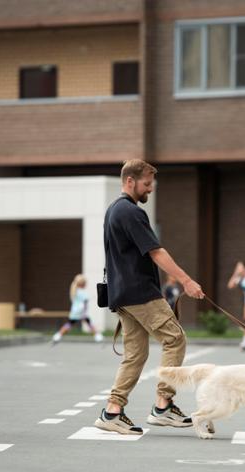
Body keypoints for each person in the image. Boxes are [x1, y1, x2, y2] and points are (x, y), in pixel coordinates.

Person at [94, 159, 204, 435]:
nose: (150, 189)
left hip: (121, 293)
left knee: (135, 355)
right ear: (129, 181)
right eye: (146, 184)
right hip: (140, 291)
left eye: (151, 184)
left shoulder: (113, 211)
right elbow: (156, 252)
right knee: (175, 339)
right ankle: (163, 406)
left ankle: (112, 411)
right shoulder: (130, 212)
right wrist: (186, 281)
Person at [52, 274, 104, 343]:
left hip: (75, 312)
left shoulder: (74, 290)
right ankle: (98, 336)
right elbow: (86, 299)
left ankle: (58, 335)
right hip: (81, 312)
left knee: (69, 324)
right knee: (89, 323)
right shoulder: (81, 292)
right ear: (83, 284)